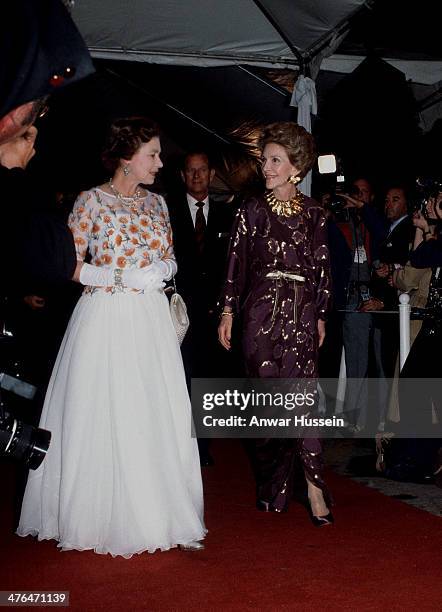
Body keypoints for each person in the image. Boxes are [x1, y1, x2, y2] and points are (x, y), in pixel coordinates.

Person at [17, 117, 206, 556]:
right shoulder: (90, 202)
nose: (160, 162)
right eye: (152, 155)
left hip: (151, 321)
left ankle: (164, 513)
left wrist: (162, 270)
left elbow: (171, 257)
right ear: (127, 159)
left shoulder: (159, 204)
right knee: (103, 411)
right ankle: (96, 517)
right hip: (103, 316)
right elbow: (69, 264)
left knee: (153, 413)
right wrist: (120, 275)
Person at [218, 122, 333, 525]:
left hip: (301, 312)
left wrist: (320, 313)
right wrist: (227, 312)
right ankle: (272, 484)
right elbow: (235, 264)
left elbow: (322, 266)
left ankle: (316, 490)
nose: (265, 167)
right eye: (264, 159)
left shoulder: (316, 212)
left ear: (295, 166)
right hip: (259, 313)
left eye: (274, 160)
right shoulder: (251, 210)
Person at [167, 151, 236, 466]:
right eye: (190, 171)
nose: (196, 176)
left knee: (207, 379)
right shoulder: (166, 210)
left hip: (212, 313)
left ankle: (202, 447)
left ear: (211, 175)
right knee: (178, 376)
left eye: (202, 170)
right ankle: (175, 445)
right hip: (176, 311)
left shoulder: (227, 214)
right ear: (183, 175)